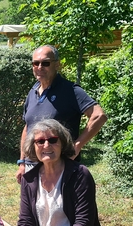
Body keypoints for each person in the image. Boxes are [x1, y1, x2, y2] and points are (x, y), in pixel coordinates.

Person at [15, 45, 107, 183]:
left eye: (45, 63)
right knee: (34, 204)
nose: (40, 67)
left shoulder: (70, 90)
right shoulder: (33, 91)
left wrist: (77, 146)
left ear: (57, 64)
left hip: (60, 166)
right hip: (32, 166)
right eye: (36, 63)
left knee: (60, 204)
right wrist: (22, 162)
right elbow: (28, 127)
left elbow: (99, 116)